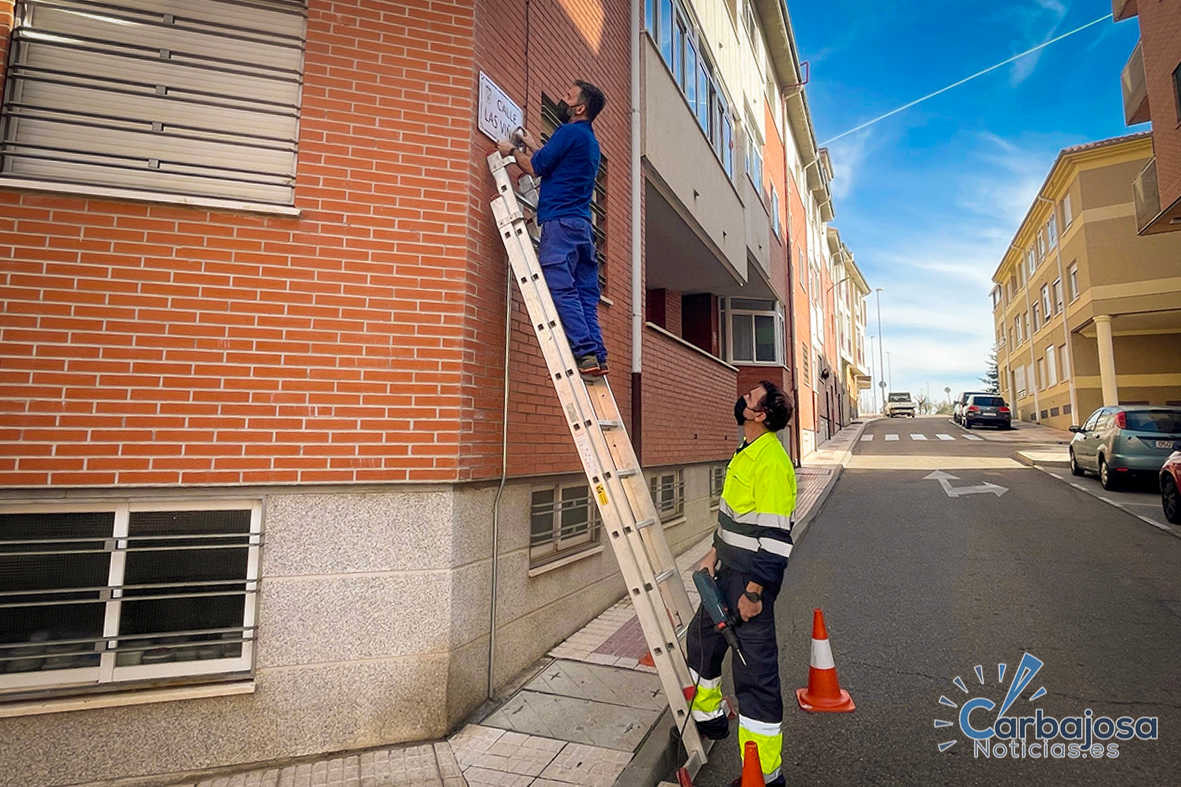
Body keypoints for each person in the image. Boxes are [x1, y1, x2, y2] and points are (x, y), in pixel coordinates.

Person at [687, 381, 796, 787]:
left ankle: (765, 776)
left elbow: (774, 540)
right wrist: (714, 553)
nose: (743, 398)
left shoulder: (771, 462)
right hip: (727, 571)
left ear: (759, 414)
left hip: (750, 582)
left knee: (754, 676)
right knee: (701, 640)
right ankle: (711, 717)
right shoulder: (747, 451)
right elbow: (735, 517)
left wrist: (755, 593)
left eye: (750, 397)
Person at [498, 81, 608, 377]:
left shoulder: (568, 132)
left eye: (569, 96)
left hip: (560, 224)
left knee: (561, 288)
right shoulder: (589, 141)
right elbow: (557, 161)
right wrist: (535, 146)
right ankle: (597, 355)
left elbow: (535, 168)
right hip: (583, 229)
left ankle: (583, 354)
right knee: (585, 295)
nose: (563, 98)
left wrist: (510, 151)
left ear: (579, 108)